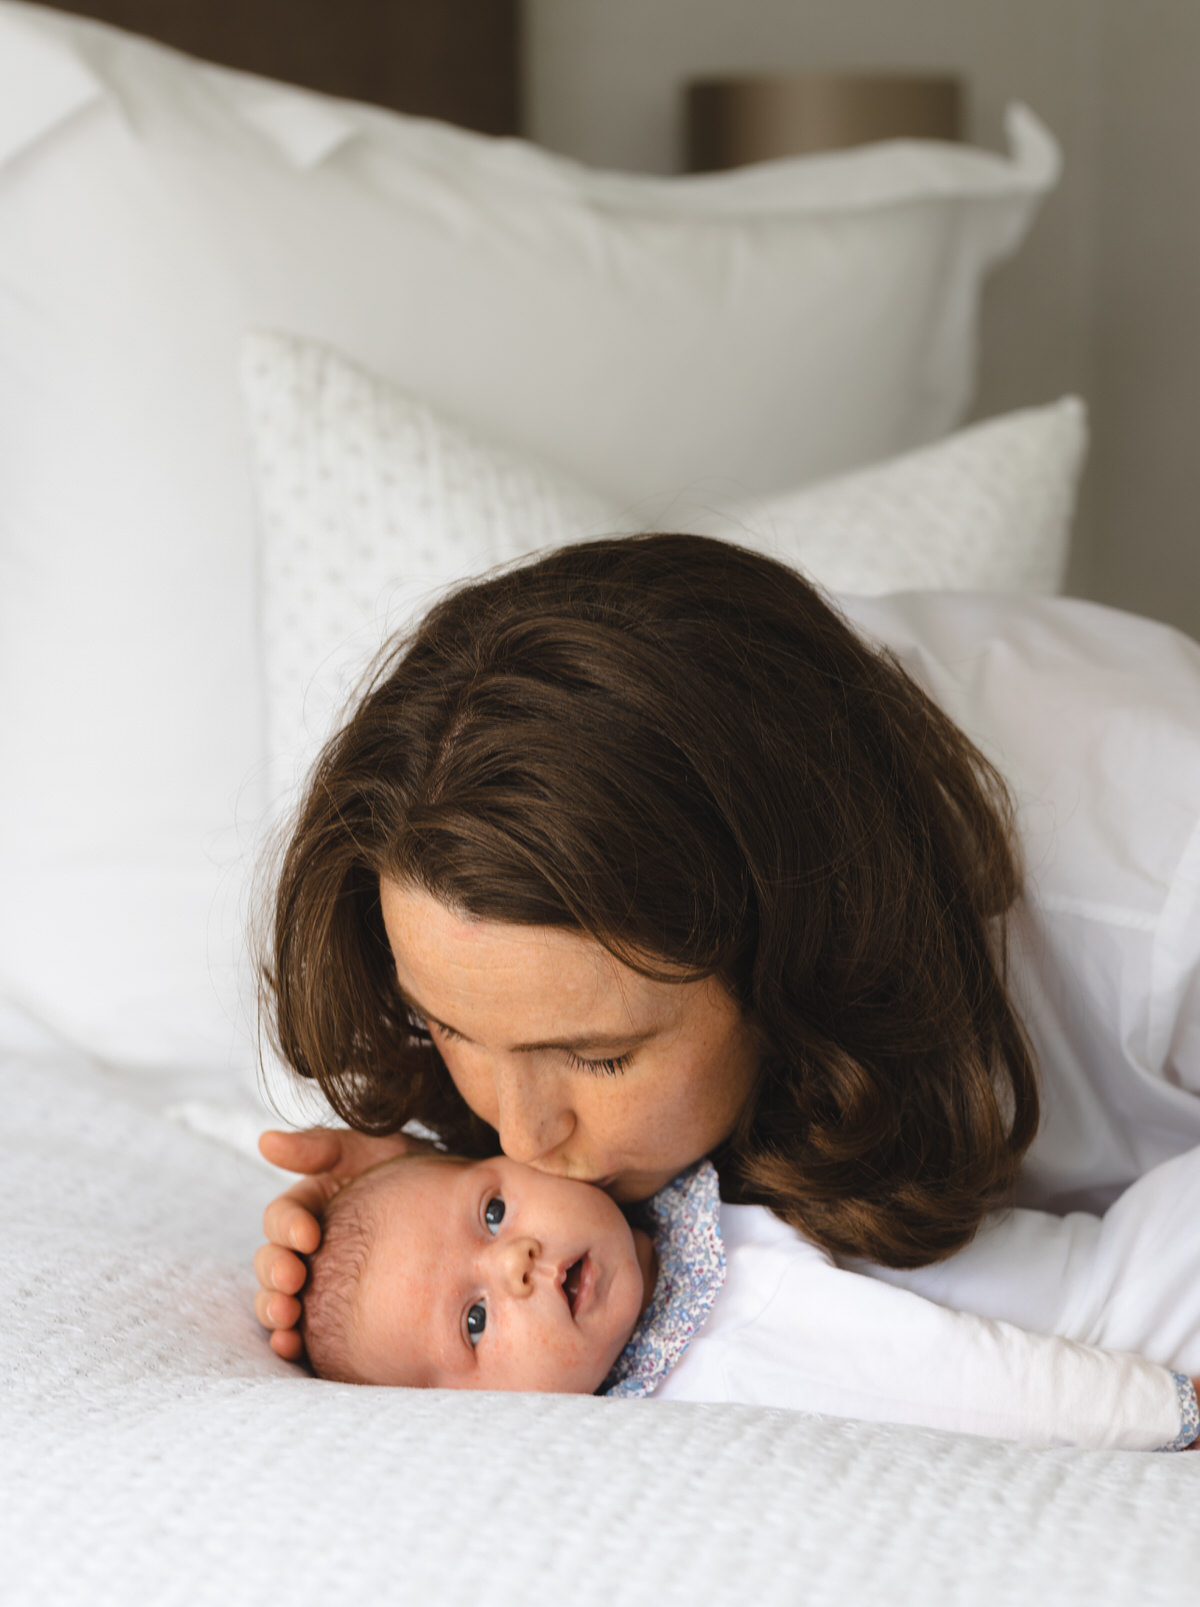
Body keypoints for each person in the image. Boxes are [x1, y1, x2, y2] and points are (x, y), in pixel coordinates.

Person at [253, 533, 1200, 1362]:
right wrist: (422, 1198)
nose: (522, 1139)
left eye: (597, 1056)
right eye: (448, 1025)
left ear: (790, 954)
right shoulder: (669, 736)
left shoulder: (1160, 898)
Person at [296, 1140, 1200, 1451]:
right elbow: (962, 1386)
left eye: (493, 1209)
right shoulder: (720, 1356)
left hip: (1124, 1242)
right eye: (477, 1320)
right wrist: (1166, 1409)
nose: (518, 1261)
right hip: (1146, 1330)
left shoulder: (677, 1195)